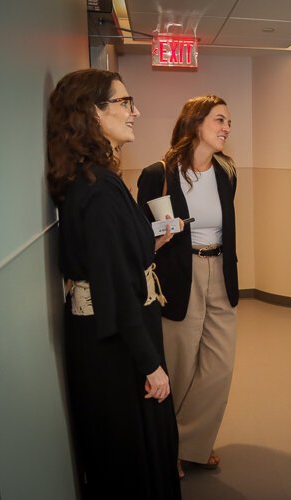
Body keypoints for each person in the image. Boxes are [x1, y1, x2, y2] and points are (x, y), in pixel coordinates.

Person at [46, 69, 181, 499]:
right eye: (125, 102)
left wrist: (148, 241)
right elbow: (114, 287)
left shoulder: (94, 179)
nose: (135, 111)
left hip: (109, 339)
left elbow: (111, 258)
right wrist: (150, 366)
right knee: (130, 459)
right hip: (117, 350)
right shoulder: (99, 189)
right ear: (92, 112)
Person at [137, 95, 239, 477]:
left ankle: (191, 442)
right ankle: (170, 449)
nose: (227, 128)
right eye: (219, 120)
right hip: (180, 276)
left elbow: (225, 225)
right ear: (196, 123)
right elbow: (140, 234)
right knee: (178, 365)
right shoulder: (158, 173)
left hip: (220, 271)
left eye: (229, 122)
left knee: (219, 366)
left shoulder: (227, 172)